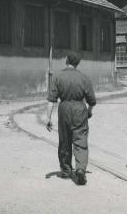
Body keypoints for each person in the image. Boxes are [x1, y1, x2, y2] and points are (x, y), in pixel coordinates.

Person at [46, 52, 96, 185]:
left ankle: (66, 171)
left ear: (66, 61)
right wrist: (89, 111)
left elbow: (51, 100)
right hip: (80, 108)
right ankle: (80, 169)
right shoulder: (84, 78)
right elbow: (91, 100)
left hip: (64, 109)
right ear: (78, 63)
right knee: (81, 140)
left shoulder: (58, 76)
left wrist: (48, 117)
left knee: (65, 140)